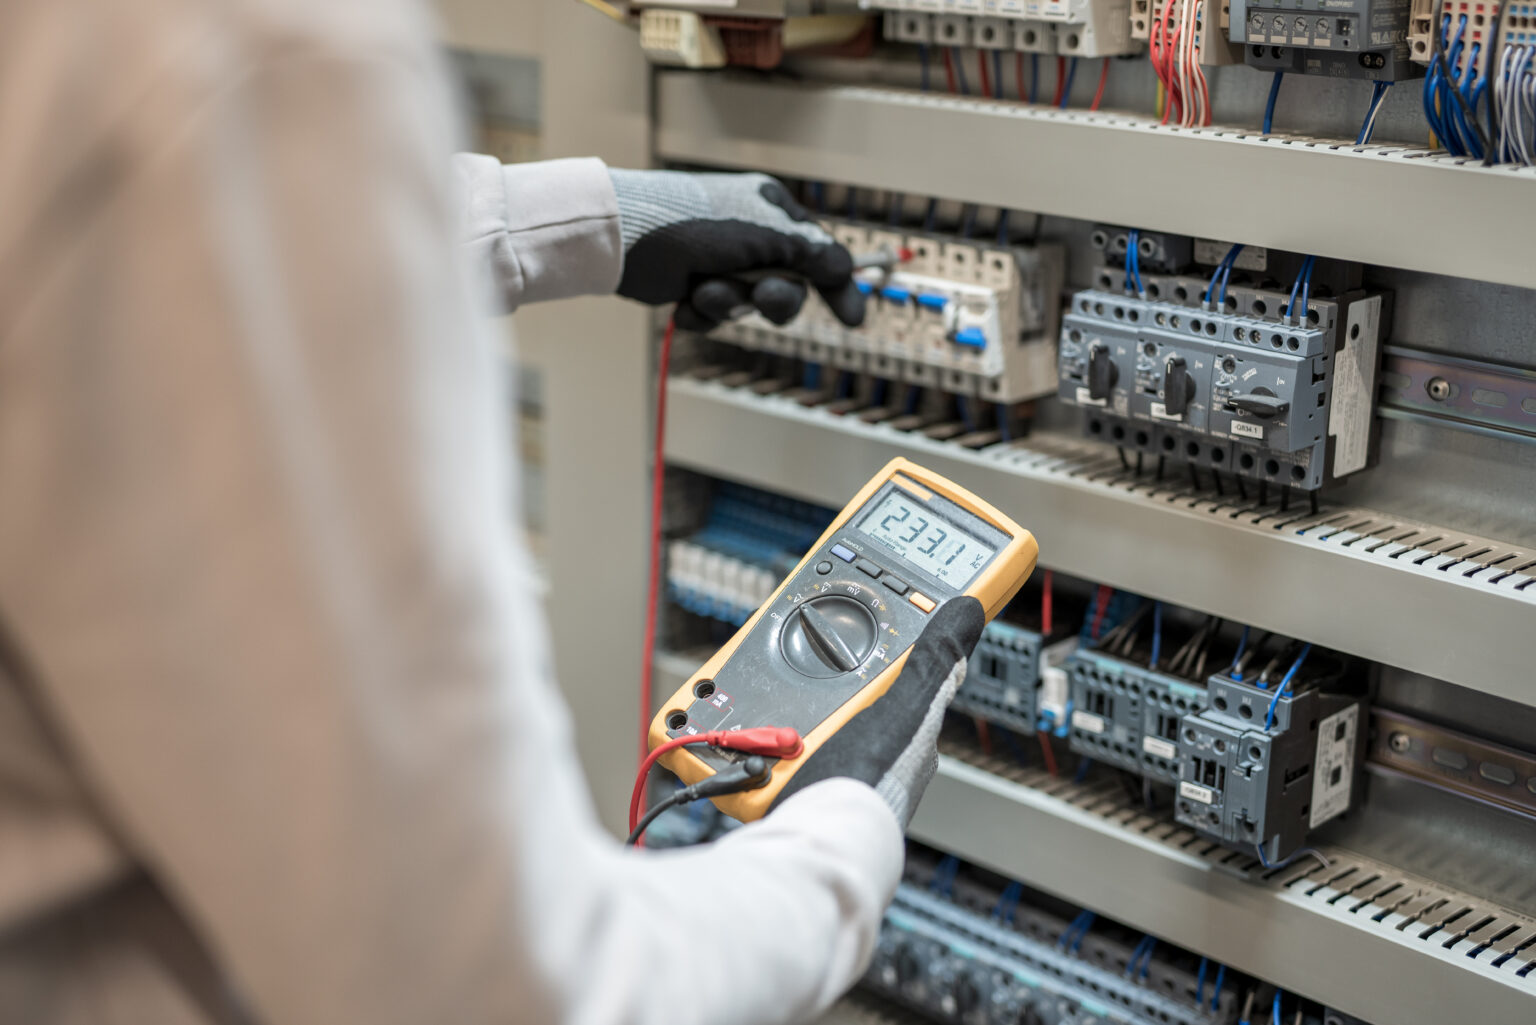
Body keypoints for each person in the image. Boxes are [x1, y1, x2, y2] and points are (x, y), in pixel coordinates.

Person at [0, 3, 983, 1023]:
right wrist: (843, 837)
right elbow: (498, 992)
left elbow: (144, 222)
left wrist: (575, 220)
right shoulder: (248, 48)